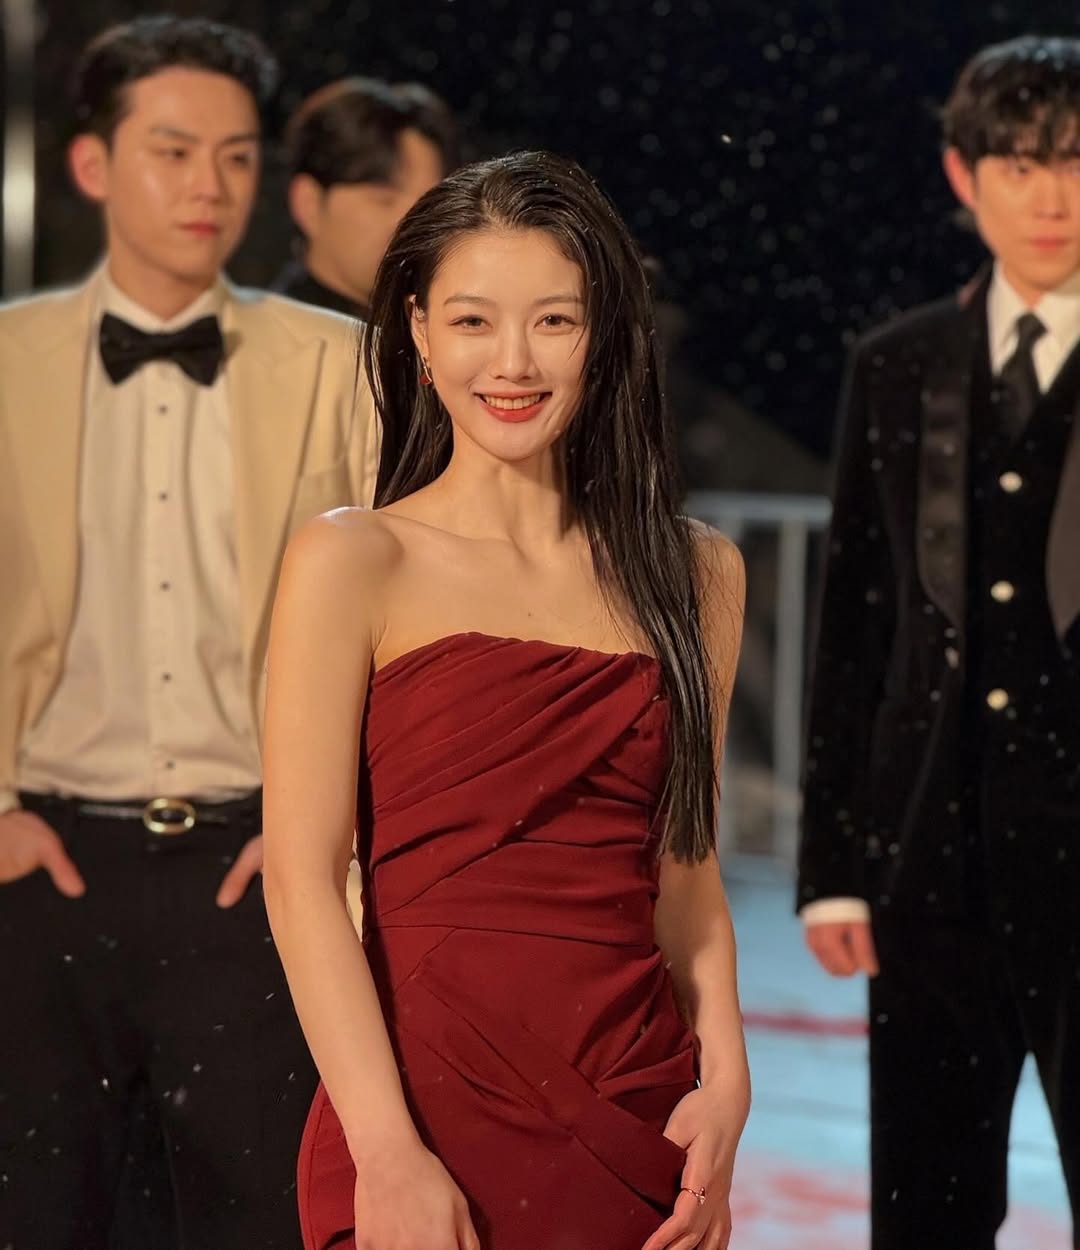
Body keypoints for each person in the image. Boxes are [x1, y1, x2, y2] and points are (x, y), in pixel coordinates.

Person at [261, 150, 750, 1250]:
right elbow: (302, 880)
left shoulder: (698, 575)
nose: (514, 363)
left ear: (605, 334)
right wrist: (387, 1151)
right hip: (418, 1108)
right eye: (474, 321)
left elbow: (686, 872)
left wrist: (727, 1078)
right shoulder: (354, 559)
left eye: (555, 321)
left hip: (636, 1103)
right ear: (420, 333)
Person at [0, 16, 379, 1250]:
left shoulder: (340, 362)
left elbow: (410, 611)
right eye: (172, 151)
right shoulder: (7, 361)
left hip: (256, 872)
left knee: (263, 1219)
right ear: (93, 164)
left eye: (235, 155)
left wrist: (329, 829)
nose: (209, 185)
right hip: (42, 873)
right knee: (38, 1214)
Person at [798, 35, 1080, 1250]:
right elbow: (855, 626)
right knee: (926, 1209)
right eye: (1019, 163)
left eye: (1075, 161)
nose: (1050, 196)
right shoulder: (898, 363)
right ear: (965, 175)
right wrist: (831, 864)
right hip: (929, 865)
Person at [272, 76, 456, 319]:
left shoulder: (432, 327)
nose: (414, 226)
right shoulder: (266, 336)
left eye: (428, 204)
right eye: (384, 200)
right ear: (309, 204)